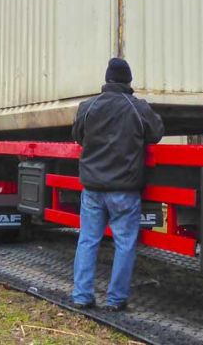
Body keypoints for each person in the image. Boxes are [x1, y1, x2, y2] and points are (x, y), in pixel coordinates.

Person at [70, 57, 164, 311]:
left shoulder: (87, 107)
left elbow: (77, 135)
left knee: (88, 240)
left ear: (107, 79)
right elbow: (156, 133)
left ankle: (81, 296)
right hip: (124, 190)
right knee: (124, 244)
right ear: (128, 81)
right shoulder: (137, 107)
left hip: (92, 189)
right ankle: (116, 300)